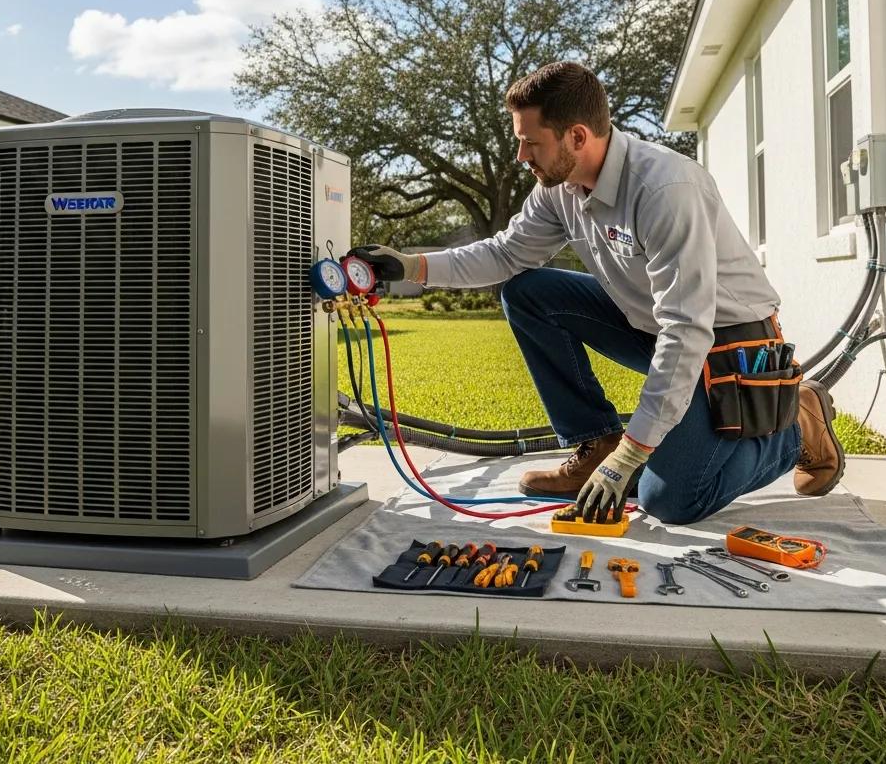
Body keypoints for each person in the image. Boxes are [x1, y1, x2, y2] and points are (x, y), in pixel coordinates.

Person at [348, 60, 844, 526]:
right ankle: (595, 444)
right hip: (652, 326)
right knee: (528, 292)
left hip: (727, 342)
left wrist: (636, 452)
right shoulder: (558, 190)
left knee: (667, 499)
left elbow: (686, 330)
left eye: (530, 143)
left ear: (577, 136)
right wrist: (411, 267)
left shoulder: (664, 190)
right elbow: (505, 254)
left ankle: (796, 423)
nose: (521, 156)